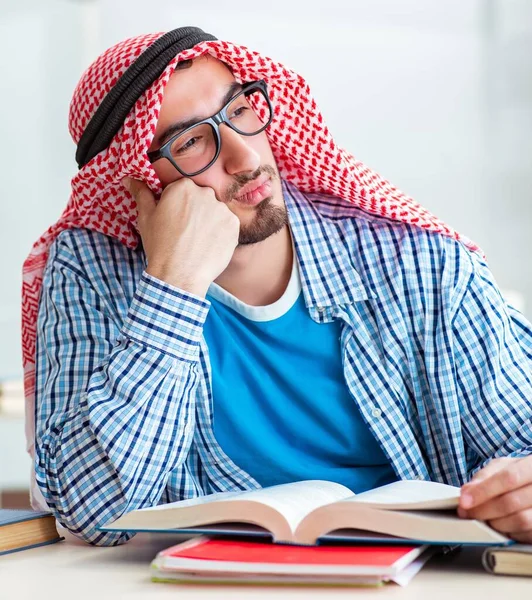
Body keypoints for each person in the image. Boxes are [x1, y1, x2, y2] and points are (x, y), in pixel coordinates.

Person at [23, 27, 532, 546]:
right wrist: (173, 287)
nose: (246, 158)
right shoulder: (89, 270)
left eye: (240, 110)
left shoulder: (415, 261)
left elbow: (521, 437)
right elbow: (95, 513)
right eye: (194, 141)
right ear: (138, 184)